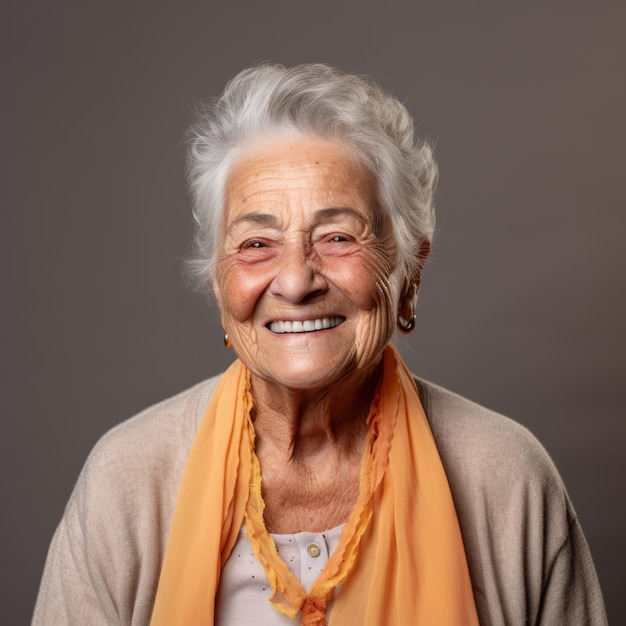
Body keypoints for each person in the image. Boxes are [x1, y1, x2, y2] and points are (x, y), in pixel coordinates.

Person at [33, 63, 607, 625]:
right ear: (219, 284)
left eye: (337, 237)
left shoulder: (506, 479)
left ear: (410, 274)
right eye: (257, 243)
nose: (296, 280)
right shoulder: (126, 481)